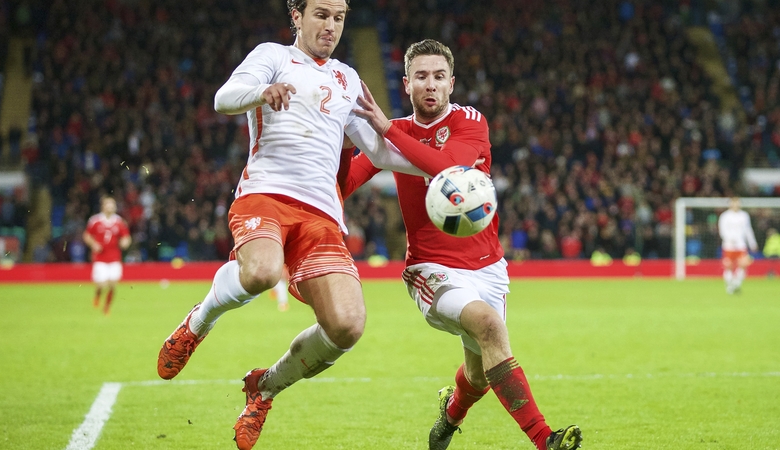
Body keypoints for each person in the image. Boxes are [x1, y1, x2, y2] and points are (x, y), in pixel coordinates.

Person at [155, 1, 422, 449]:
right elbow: (224, 99)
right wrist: (261, 93)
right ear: (296, 15)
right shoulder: (272, 57)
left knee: (348, 325)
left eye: (339, 18)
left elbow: (377, 154)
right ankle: (198, 323)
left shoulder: (347, 79)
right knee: (260, 272)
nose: (331, 26)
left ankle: (265, 388)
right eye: (321, 14)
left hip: (321, 216)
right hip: (265, 194)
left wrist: (441, 168)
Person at [342, 39, 582, 450]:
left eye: (438, 76)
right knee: (490, 327)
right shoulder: (395, 132)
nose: (430, 85)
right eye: (421, 77)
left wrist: (382, 131)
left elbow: (448, 168)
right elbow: (342, 186)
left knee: (478, 373)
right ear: (406, 84)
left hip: (488, 266)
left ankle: (449, 416)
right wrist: (346, 141)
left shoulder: (470, 122)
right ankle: (546, 440)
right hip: (431, 270)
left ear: (452, 83)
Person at [82, 196, 131, 315]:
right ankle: (98, 295)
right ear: (103, 206)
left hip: (114, 258)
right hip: (100, 258)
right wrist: (94, 244)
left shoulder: (119, 222)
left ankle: (106, 307)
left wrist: (125, 242)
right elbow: (87, 235)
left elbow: (126, 237)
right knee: (102, 285)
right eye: (108, 204)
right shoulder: (95, 220)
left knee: (112, 284)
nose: (111, 207)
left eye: (112, 204)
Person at [718, 197, 758, 294]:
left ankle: (736, 284)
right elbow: (722, 230)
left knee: (743, 265)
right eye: (734, 203)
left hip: (741, 245)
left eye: (737, 203)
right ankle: (730, 286)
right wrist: (729, 239)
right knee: (729, 266)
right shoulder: (725, 216)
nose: (736, 205)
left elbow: (748, 230)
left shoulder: (744, 215)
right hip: (728, 245)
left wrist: (752, 242)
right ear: (730, 204)